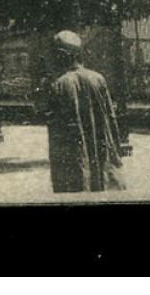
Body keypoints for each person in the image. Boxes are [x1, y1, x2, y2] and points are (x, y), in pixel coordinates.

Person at [43, 30, 124, 194]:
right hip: (100, 144)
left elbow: (56, 130)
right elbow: (111, 117)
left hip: (74, 151)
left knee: (79, 185)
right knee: (103, 182)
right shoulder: (98, 78)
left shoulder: (58, 84)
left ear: (62, 55)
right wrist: (116, 147)